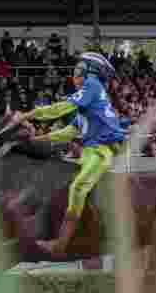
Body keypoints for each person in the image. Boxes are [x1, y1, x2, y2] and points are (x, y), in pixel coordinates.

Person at [8, 51, 126, 258]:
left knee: (78, 187)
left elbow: (61, 108)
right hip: (91, 150)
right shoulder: (89, 106)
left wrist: (27, 115)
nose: (74, 75)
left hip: (102, 150)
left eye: (78, 70)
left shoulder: (92, 85)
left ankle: (61, 243)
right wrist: (36, 140)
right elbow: (68, 132)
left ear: (90, 72)